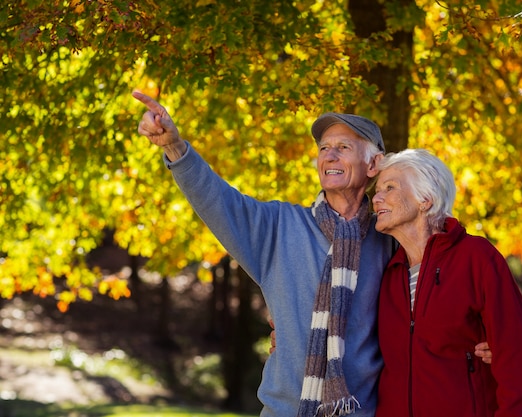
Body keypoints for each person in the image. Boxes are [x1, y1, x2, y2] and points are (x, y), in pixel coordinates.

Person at [133, 90, 394, 417]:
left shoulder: (390, 238)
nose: (329, 156)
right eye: (324, 148)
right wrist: (175, 147)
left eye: (343, 148)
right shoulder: (280, 226)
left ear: (374, 164)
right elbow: (217, 199)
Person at [372, 148, 522, 417]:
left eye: (389, 187)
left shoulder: (476, 257)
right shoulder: (388, 272)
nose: (376, 198)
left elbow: (514, 356)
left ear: (425, 199)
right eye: (377, 190)